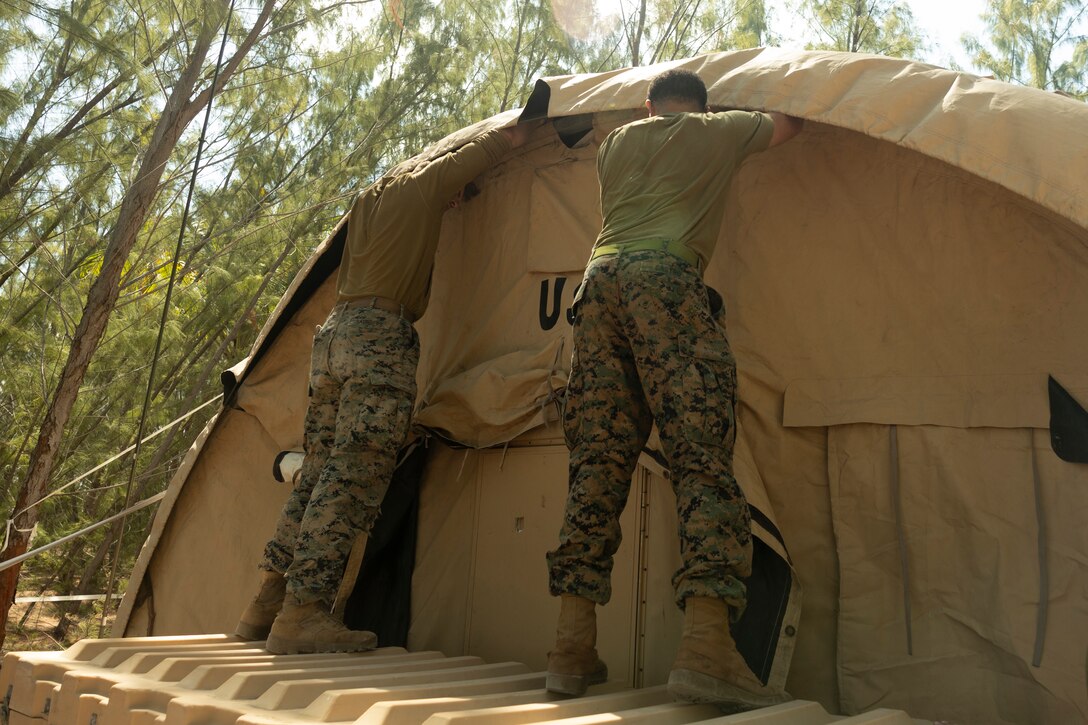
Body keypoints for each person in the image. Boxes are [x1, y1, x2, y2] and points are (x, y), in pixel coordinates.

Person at [544, 69, 802, 708]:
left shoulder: (615, 144)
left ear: (650, 103)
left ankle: (571, 649)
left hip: (597, 286)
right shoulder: (721, 130)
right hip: (666, 277)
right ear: (702, 105)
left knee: (597, 465)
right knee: (700, 457)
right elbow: (792, 124)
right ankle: (707, 646)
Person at [236, 122, 534, 655]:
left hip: (335, 336)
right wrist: (522, 130)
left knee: (319, 469)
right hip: (379, 337)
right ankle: (303, 613)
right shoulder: (421, 183)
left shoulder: (372, 198)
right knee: (354, 474)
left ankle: (265, 603)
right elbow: (489, 148)